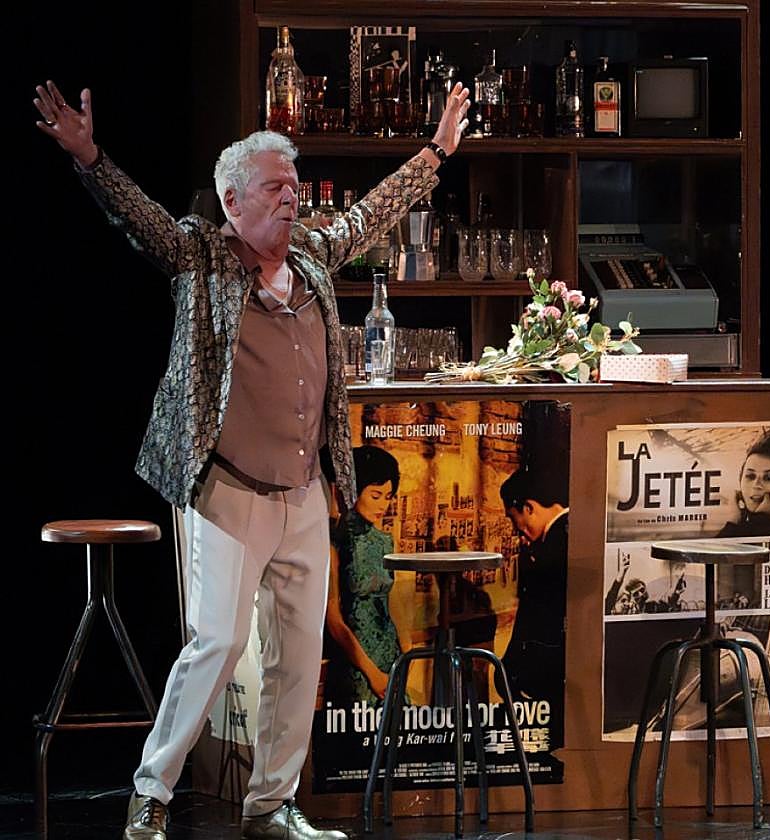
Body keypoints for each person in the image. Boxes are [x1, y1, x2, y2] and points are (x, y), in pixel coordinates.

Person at [33, 78, 471, 840]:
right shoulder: (201, 256)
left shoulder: (313, 257)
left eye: (294, 187)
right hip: (227, 487)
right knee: (219, 642)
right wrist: (90, 157)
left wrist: (436, 152)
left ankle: (272, 805)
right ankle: (151, 791)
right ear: (232, 202)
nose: (291, 199)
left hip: (303, 489)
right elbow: (138, 217)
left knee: (298, 654)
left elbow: (371, 212)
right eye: (274, 188)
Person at [325, 445, 413, 707]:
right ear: (354, 490)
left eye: (388, 497)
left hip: (390, 654)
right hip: (355, 660)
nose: (383, 505)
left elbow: (392, 601)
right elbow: (333, 619)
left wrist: (407, 653)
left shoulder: (385, 541)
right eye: (376, 496)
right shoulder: (334, 542)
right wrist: (371, 672)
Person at [499, 468, 568, 703]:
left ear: (528, 508)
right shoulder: (568, 533)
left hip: (547, 672)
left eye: (512, 518)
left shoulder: (552, 548)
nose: (515, 528)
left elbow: (537, 615)